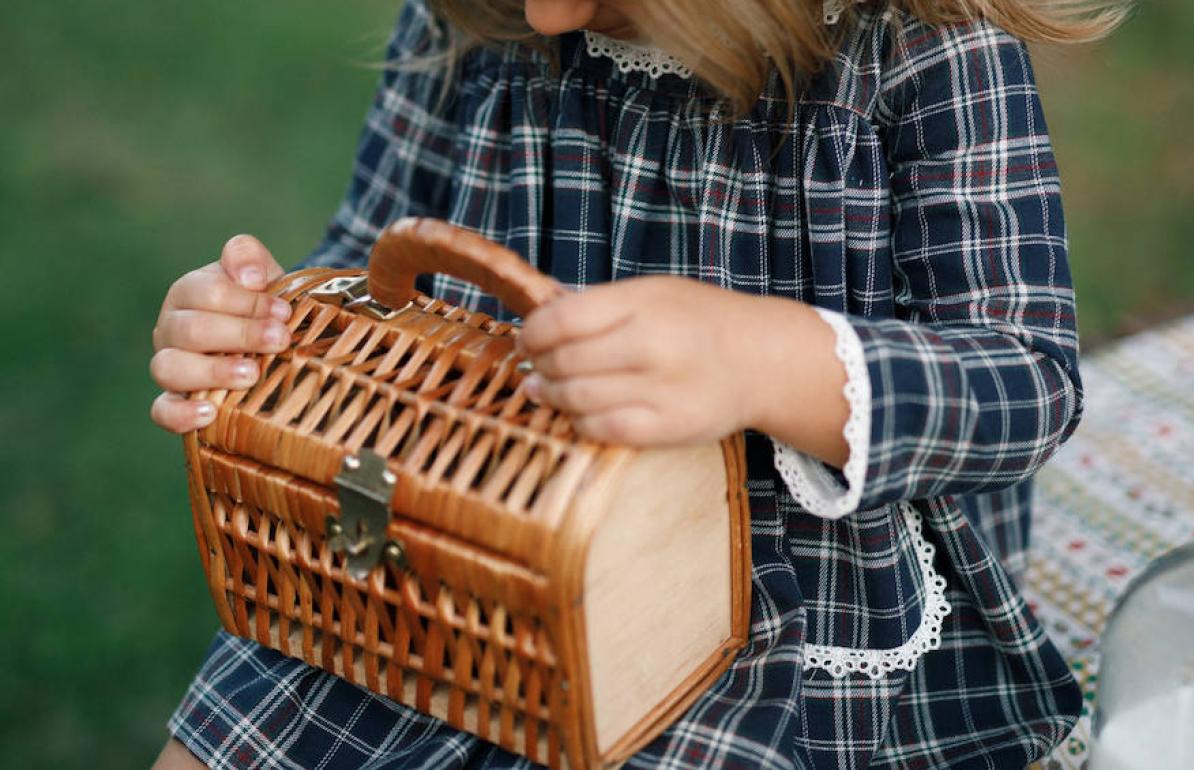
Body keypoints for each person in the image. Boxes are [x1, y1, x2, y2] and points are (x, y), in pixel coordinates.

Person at [149, 0, 1124, 766]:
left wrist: (759, 359)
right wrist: (258, 328)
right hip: (454, 560)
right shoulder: (477, 14)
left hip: (770, 607)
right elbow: (368, 271)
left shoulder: (926, 55)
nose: (538, 16)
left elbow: (1024, 382)